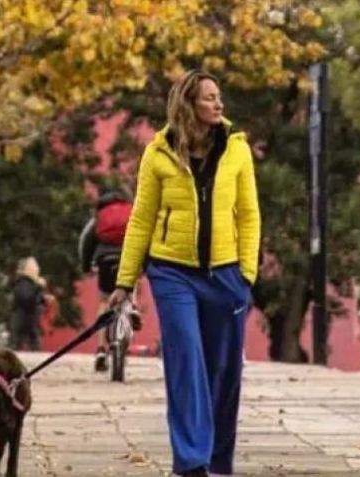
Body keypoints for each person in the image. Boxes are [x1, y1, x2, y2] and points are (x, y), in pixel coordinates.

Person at [108, 70, 261, 477]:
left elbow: (248, 216)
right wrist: (125, 282)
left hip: (226, 275)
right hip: (172, 273)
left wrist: (246, 274)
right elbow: (141, 219)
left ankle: (217, 462)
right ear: (189, 104)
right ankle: (192, 461)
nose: (219, 104)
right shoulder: (158, 154)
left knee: (224, 371)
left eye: (219, 96)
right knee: (186, 358)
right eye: (209, 98)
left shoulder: (237, 150)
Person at [78, 186, 141, 371]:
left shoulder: (99, 216)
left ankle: (100, 349)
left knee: (105, 301)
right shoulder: (132, 211)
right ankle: (133, 307)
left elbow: (86, 241)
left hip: (105, 260)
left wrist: (86, 266)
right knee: (131, 283)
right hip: (128, 257)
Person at [11, 256, 46, 351]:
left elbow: (35, 300)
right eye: (35, 266)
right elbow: (27, 299)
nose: (37, 269)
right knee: (18, 345)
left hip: (31, 322)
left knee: (34, 345)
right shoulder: (23, 283)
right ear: (27, 269)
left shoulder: (30, 284)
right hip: (23, 321)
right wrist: (39, 288)